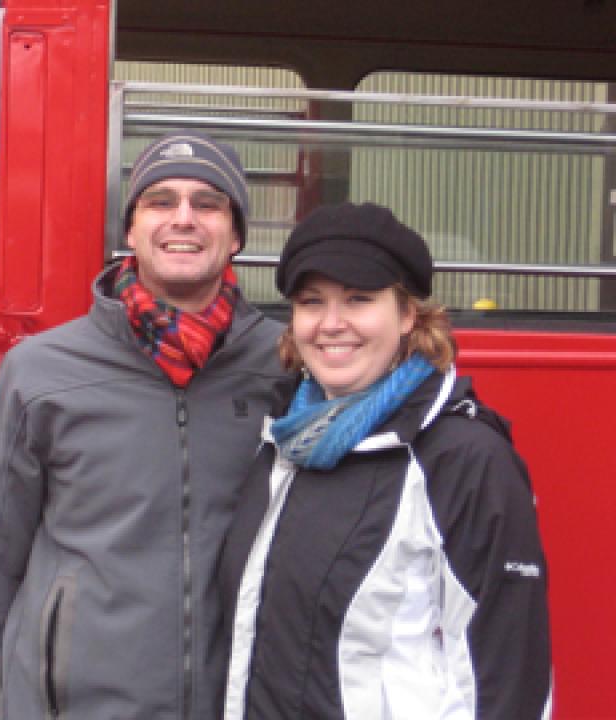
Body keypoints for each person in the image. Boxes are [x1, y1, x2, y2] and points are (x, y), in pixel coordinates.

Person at [0, 131, 291, 719]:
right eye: (160, 201)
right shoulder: (42, 370)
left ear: (235, 235)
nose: (184, 219)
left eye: (208, 204)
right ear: (131, 230)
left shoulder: (284, 366)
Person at [217, 202, 552, 719]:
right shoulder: (284, 438)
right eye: (312, 302)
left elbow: (507, 677)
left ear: (408, 314)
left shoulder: (462, 457)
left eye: (358, 299)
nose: (331, 323)